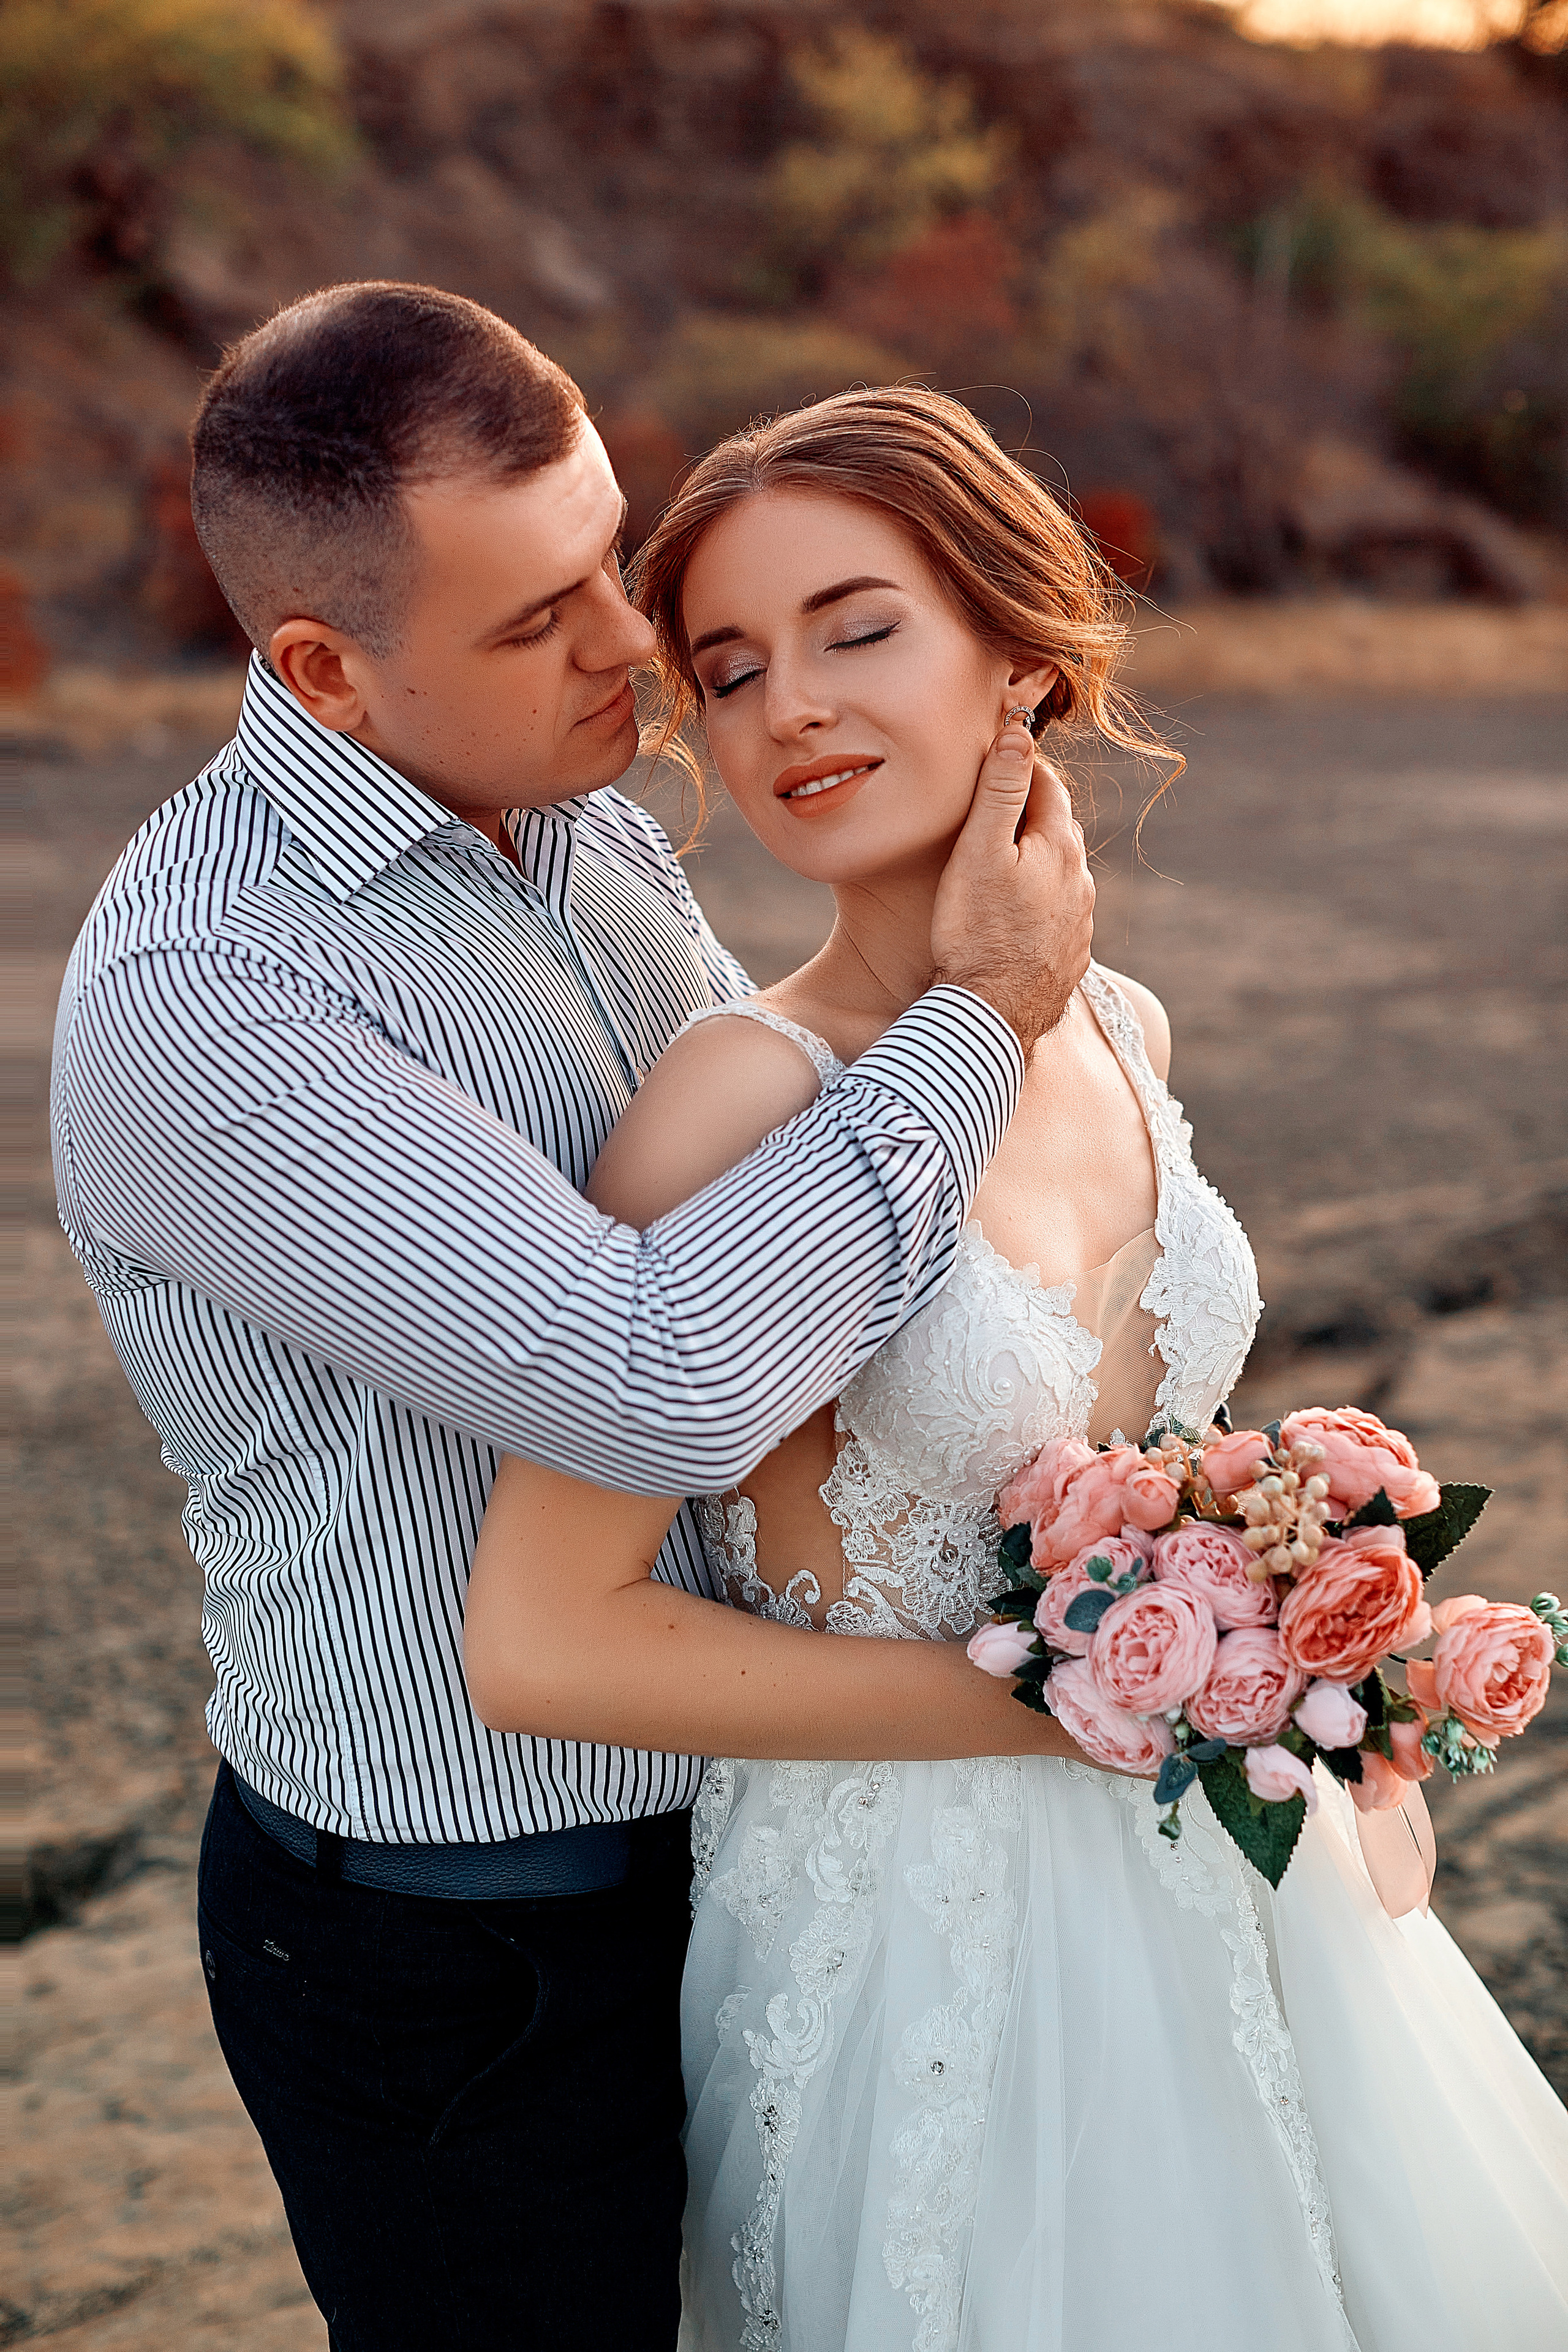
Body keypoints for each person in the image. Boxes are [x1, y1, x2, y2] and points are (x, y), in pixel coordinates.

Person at [50, 288, 1102, 2352]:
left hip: (768, 1831)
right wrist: (978, 1014)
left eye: (608, 566)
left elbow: (793, 1218)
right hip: (462, 1942)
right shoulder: (206, 999)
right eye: (539, 621)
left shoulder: (585, 827)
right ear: (326, 671)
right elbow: (668, 1374)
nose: (636, 650)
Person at [466, 388, 1568, 2352]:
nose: (787, 704)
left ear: (1022, 657)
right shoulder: (740, 1096)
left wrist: (1316, 1648)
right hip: (917, 1941)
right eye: (730, 669)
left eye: (857, 626)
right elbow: (551, 1640)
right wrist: (1102, 1707)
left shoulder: (1123, 1025)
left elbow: (1147, 1457)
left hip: (1236, 1878)